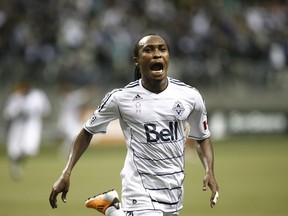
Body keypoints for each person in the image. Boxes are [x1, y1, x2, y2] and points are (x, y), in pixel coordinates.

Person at [49, 34, 219, 216]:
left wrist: (209, 171)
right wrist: (66, 172)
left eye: (162, 49)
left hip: (173, 189)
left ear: (169, 57)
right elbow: (86, 131)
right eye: (148, 50)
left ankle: (111, 208)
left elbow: (202, 137)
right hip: (139, 189)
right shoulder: (121, 98)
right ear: (136, 60)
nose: (156, 54)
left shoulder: (190, 96)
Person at [3, 80, 51, 180]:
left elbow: (46, 110)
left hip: (32, 127)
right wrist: (17, 112)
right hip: (17, 128)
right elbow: (7, 113)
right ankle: (15, 167)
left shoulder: (38, 96)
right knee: (15, 150)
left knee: (29, 150)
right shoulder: (15, 97)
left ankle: (17, 163)